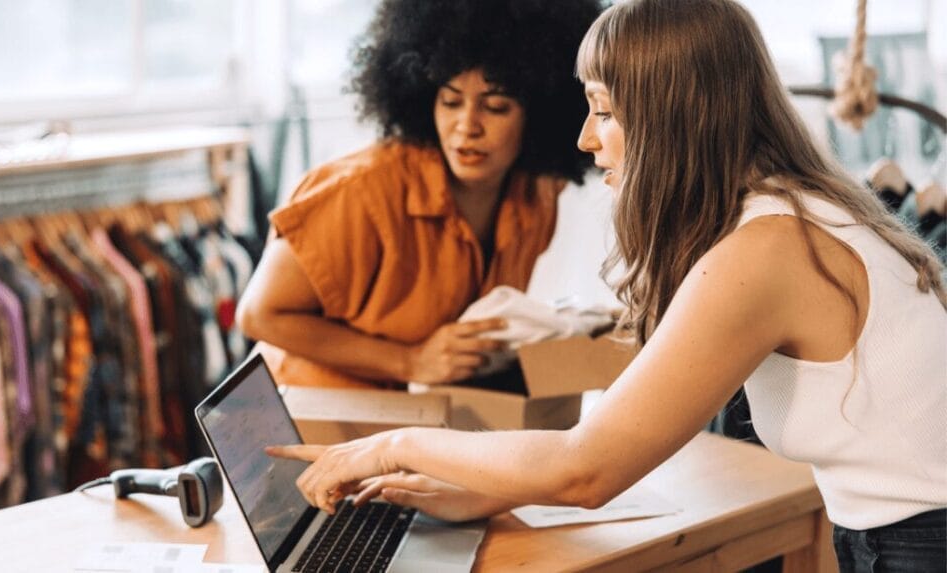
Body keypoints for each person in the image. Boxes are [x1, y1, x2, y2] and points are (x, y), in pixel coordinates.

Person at [266, 0, 947, 569]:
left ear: (673, 118)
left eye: (606, 111)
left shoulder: (765, 249)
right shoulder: (795, 211)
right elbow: (635, 422)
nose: (589, 138)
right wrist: (477, 489)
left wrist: (391, 444)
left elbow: (585, 469)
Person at [235, 0, 601, 389]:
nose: (467, 126)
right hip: (298, 413)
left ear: (540, 113)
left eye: (495, 106)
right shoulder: (362, 192)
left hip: (405, 421)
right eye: (450, 101)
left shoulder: (535, 197)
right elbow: (258, 314)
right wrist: (409, 361)